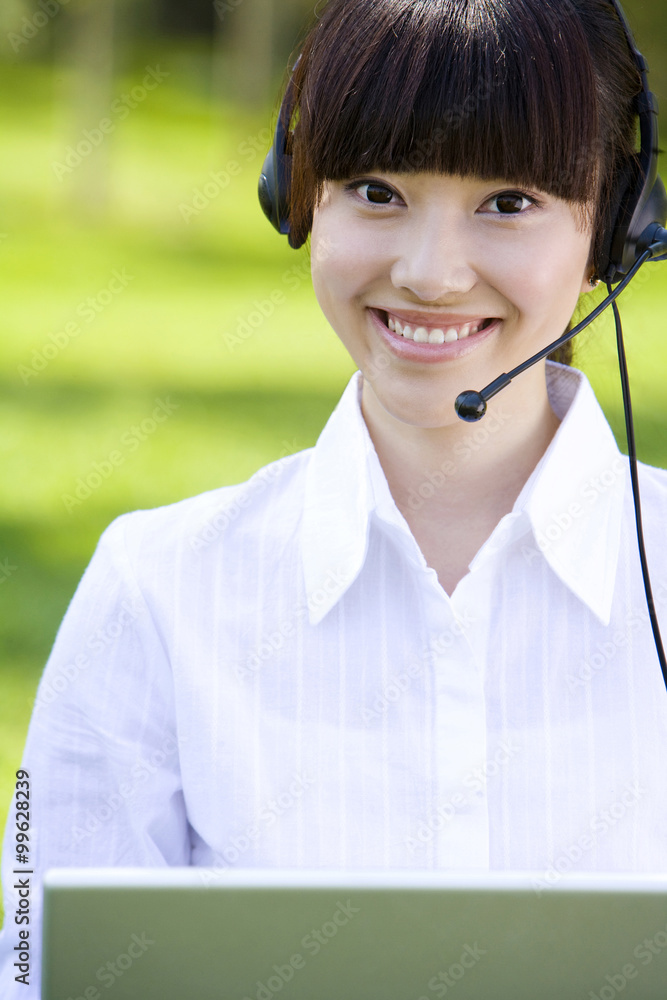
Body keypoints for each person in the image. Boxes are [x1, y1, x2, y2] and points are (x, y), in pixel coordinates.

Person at [2, 0, 667, 996]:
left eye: (507, 202)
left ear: (613, 227)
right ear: (298, 200)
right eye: (375, 189)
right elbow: (42, 970)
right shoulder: (156, 590)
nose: (430, 273)